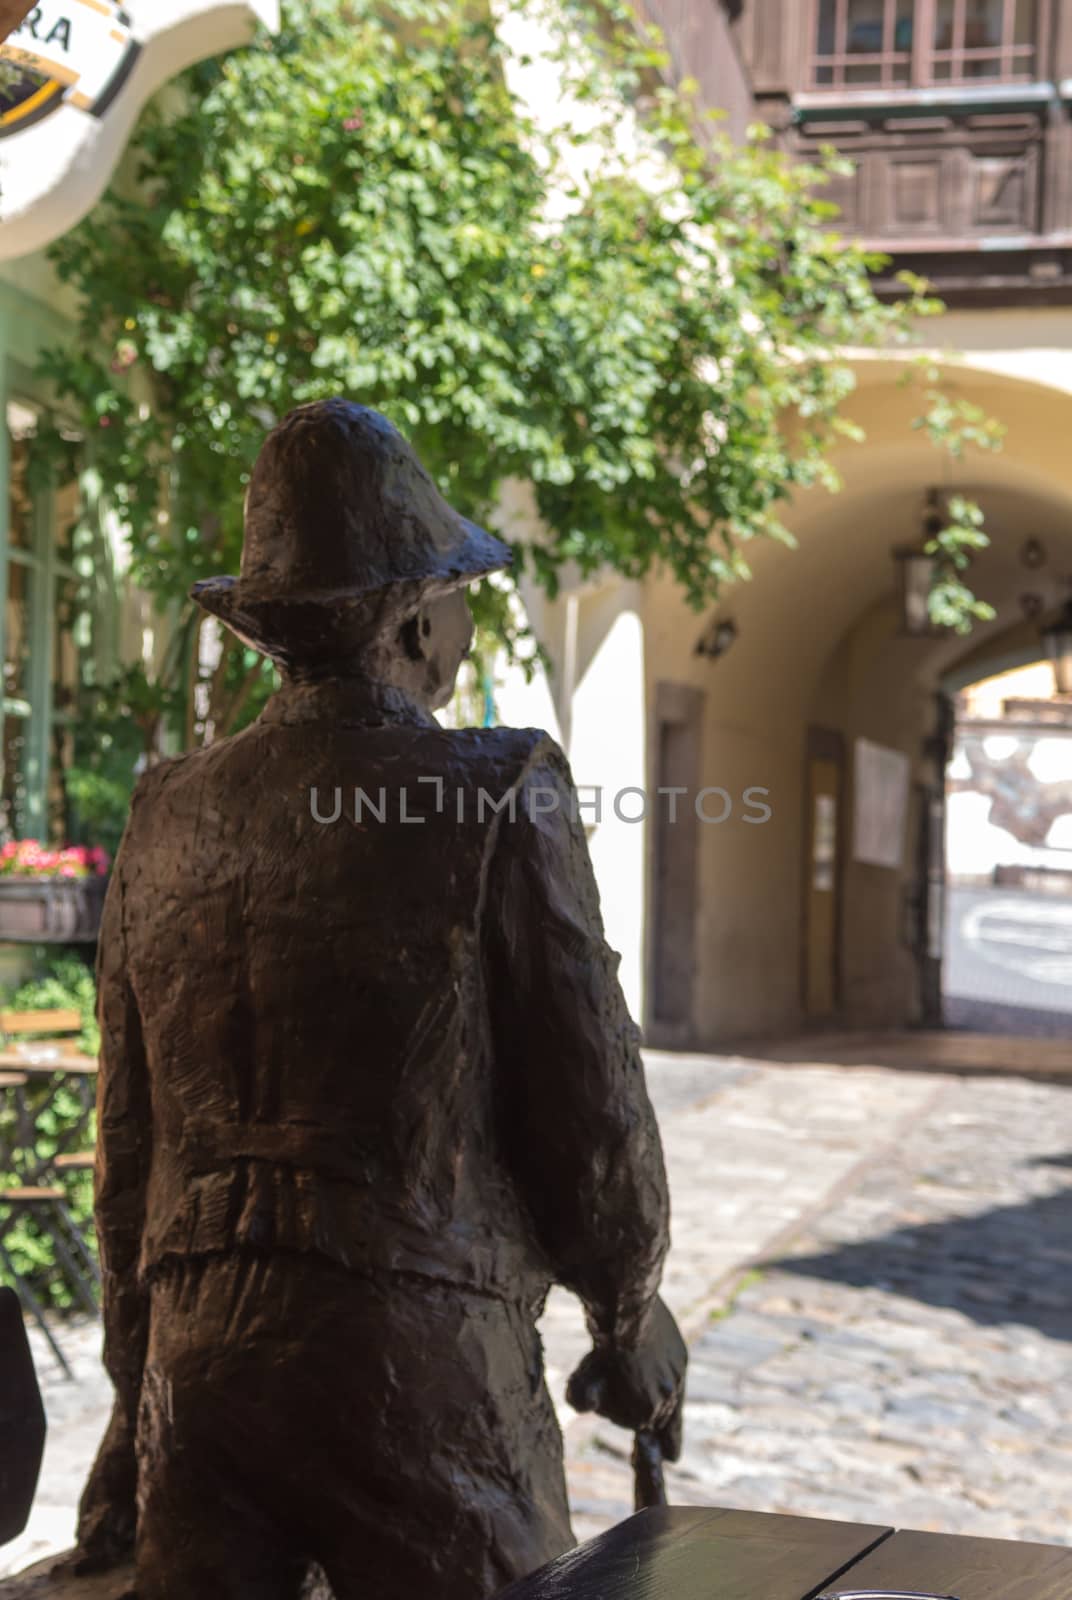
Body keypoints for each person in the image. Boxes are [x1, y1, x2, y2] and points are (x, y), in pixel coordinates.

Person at [74, 399, 686, 1599]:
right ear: (411, 620)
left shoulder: (166, 811)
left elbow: (126, 1146)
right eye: (456, 593)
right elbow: (589, 1116)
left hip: (201, 1369)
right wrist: (629, 1317)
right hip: (414, 1357)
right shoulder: (495, 789)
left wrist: (138, 1377)